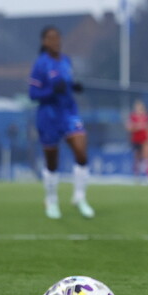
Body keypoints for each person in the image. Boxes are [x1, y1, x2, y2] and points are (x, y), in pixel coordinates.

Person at [28, 26, 94, 220]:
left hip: (69, 112)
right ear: (44, 42)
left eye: (58, 37)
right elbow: (33, 94)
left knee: (81, 151)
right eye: (51, 38)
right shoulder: (40, 64)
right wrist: (51, 92)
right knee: (52, 162)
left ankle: (79, 196)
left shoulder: (66, 61)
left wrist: (73, 86)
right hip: (48, 115)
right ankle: (51, 200)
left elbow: (66, 83)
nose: (55, 41)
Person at [126, 99, 148, 181]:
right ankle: (136, 175)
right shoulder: (132, 117)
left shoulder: (146, 117)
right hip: (136, 139)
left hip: (144, 139)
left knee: (147, 157)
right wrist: (137, 127)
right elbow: (129, 127)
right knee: (137, 158)